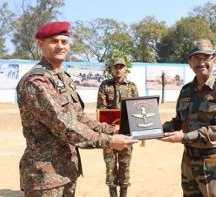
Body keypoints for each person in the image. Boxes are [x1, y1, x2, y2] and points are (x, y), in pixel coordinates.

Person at [16, 21, 138, 197]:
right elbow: (64, 125)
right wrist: (108, 141)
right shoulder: (37, 81)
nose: (60, 46)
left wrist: (114, 129)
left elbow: (79, 118)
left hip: (66, 170)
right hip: (45, 177)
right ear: (40, 44)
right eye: (53, 41)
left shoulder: (63, 79)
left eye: (64, 42)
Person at [161, 39, 216, 197]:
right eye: (196, 58)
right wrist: (153, 129)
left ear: (214, 60)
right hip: (189, 161)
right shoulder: (185, 91)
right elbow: (178, 121)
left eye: (206, 57)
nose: (201, 62)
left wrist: (184, 137)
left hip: (214, 162)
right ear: (189, 62)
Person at [97, 57, 139, 197]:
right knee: (110, 166)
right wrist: (111, 128)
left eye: (121, 67)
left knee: (125, 165)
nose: (118, 69)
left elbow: (135, 109)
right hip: (109, 134)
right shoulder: (105, 86)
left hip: (126, 133)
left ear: (125, 69)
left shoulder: (132, 86)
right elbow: (101, 110)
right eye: (116, 67)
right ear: (111, 69)